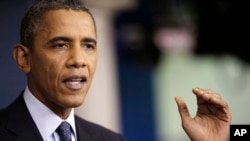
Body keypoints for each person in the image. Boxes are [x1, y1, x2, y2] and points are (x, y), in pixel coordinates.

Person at [0, 0, 231, 141]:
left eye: (89, 46)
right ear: (24, 58)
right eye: (61, 45)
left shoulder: (110, 140)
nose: (79, 60)